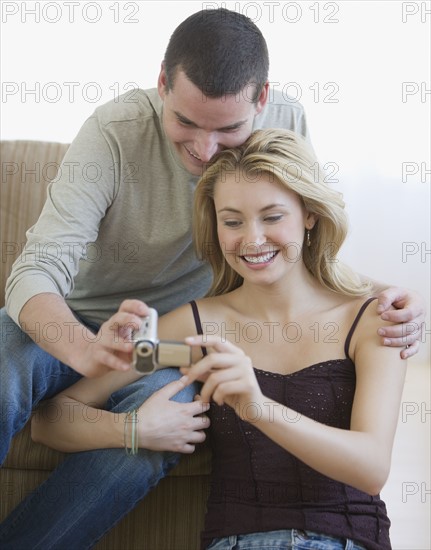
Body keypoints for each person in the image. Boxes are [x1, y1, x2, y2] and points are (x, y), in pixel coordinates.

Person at [0, 6, 423, 548]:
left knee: (167, 419)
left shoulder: (285, 128)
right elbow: (37, 273)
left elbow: (302, 243)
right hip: (83, 322)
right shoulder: (113, 133)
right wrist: (88, 350)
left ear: (262, 101)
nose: (204, 151)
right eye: (187, 123)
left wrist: (389, 294)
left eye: (228, 129)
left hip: (171, 340)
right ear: (161, 85)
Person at [30, 128, 405, 550]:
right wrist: (131, 428)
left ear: (310, 214)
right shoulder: (191, 330)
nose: (252, 239)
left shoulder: (373, 319)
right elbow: (53, 420)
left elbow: (372, 467)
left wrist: (257, 407)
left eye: (273, 216)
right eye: (232, 221)